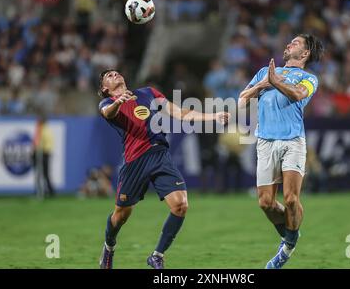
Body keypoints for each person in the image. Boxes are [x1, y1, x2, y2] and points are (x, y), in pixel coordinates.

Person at [97, 69, 230, 269]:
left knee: (181, 204)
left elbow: (180, 113)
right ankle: (109, 247)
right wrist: (118, 101)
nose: (114, 74)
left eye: (116, 73)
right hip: (135, 161)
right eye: (109, 76)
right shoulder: (107, 104)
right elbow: (108, 113)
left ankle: (157, 255)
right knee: (120, 215)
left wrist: (213, 116)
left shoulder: (148, 93)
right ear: (105, 89)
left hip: (160, 155)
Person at [238, 34, 324, 269]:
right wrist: (262, 83)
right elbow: (242, 100)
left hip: (292, 141)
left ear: (305, 54)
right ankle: (289, 234)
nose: (288, 44)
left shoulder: (309, 78)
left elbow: (297, 95)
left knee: (290, 198)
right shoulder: (265, 72)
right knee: (265, 203)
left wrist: (275, 81)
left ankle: (288, 244)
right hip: (265, 142)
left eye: (295, 43)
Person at [33, 115, 55, 198]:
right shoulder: (47, 129)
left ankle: (45, 191)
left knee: (43, 173)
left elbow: (39, 142)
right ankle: (48, 190)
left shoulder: (43, 129)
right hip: (46, 152)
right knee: (45, 173)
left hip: (44, 153)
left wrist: (38, 149)